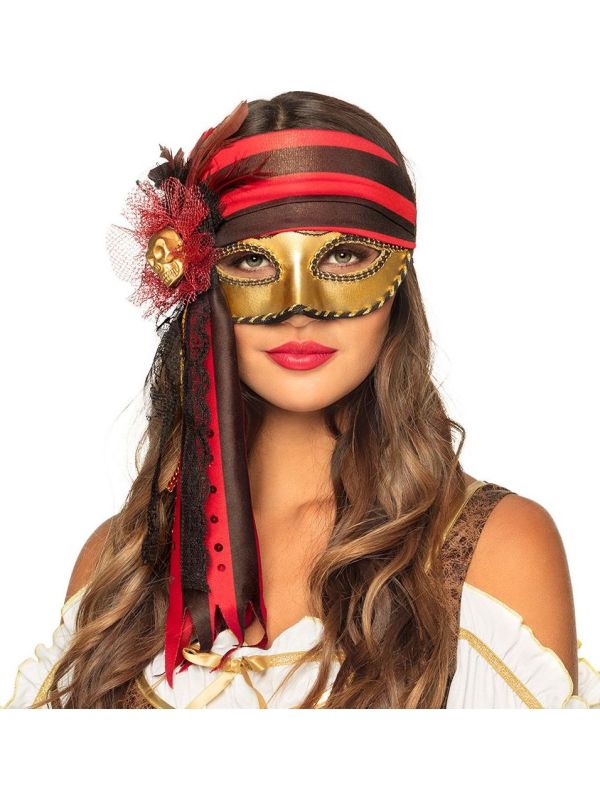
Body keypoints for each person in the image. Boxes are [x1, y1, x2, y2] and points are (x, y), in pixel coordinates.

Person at [2, 91, 599, 709]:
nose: (299, 309)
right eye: (251, 261)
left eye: (343, 256)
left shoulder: (494, 553)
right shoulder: (116, 567)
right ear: (200, 286)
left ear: (399, 279)